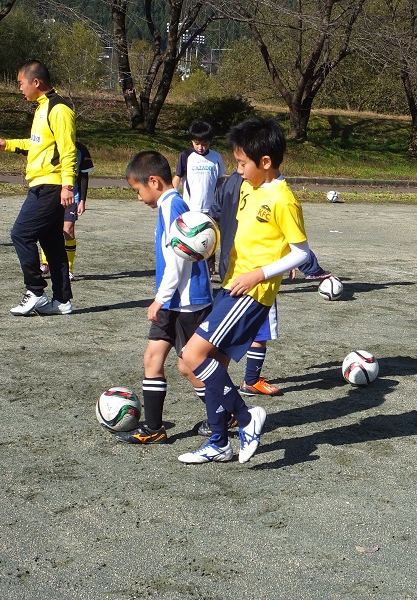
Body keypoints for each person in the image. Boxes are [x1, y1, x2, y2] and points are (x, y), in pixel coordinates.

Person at [177, 117, 310, 464]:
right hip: (232, 285)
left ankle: (247, 418)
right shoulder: (250, 187)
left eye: (241, 163)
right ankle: (219, 442)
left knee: (192, 356)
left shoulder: (283, 199)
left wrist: (258, 275)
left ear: (265, 162)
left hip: (251, 293)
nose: (237, 170)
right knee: (206, 366)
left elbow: (301, 252)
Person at [114, 150, 214, 445]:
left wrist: (160, 297)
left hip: (186, 301)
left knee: (189, 366)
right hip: (173, 301)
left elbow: (178, 260)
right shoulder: (168, 205)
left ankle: (225, 411)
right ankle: (154, 428)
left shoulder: (173, 206)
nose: (138, 197)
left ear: (154, 181)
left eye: (137, 190)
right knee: (152, 358)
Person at [0, 60, 77, 316]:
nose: (19, 88)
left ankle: (36, 291)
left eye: (21, 83)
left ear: (35, 82)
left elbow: (68, 150)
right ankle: (62, 301)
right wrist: (8, 144)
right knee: (52, 244)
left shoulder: (59, 109)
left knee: (21, 234)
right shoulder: (42, 108)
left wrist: (67, 185)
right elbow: (37, 144)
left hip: (51, 185)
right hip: (42, 183)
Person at [173, 119, 226, 277]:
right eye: (197, 143)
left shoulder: (216, 157)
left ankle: (209, 268)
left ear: (210, 141)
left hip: (210, 209)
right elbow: (177, 177)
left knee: (208, 239)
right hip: (190, 208)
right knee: (189, 240)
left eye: (204, 143)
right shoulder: (186, 156)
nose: (201, 147)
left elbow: (220, 180)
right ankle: (186, 272)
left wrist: (222, 200)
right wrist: (172, 195)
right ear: (192, 141)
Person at [39, 141, 94, 281]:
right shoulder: (50, 144)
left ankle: (69, 269)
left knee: (67, 230)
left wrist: (82, 200)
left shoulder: (81, 149)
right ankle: (45, 263)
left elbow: (83, 176)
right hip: (50, 194)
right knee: (47, 228)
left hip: (72, 196)